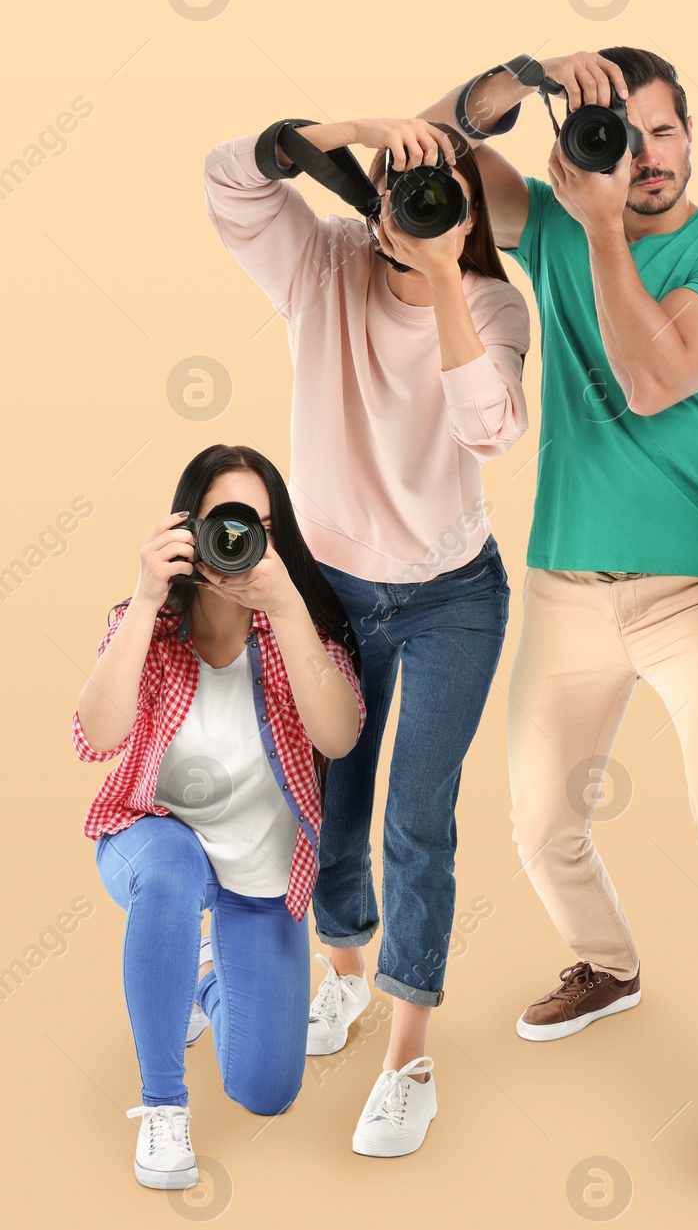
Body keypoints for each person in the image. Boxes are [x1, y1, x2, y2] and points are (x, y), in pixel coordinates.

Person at [414, 48, 698, 1187]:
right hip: (563, 583)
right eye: (613, 134)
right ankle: (607, 962)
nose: (639, 157)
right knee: (536, 823)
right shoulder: (541, 216)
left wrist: (588, 229)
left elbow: (647, 377)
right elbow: (424, 146)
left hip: (697, 586)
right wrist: (517, 75)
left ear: (689, 136)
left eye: (661, 133)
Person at [203, 113, 530, 1156]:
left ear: (473, 214)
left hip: (451, 599)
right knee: (330, 810)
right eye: (403, 186)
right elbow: (227, 181)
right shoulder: (325, 264)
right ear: (372, 194)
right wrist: (327, 135)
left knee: (415, 821)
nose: (420, 205)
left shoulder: (488, 303)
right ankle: (343, 979)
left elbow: (495, 429)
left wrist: (440, 276)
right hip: (333, 592)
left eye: (446, 193)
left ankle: (409, 1057)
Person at [73, 445, 365, 1191]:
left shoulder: (302, 629)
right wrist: (144, 597)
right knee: (173, 865)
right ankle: (163, 1104)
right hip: (150, 840)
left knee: (267, 1088)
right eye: (222, 524)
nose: (236, 543)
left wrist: (288, 604)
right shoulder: (151, 626)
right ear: (187, 529)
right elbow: (95, 735)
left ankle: (199, 977)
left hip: (259, 875)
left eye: (257, 526)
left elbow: (338, 735)